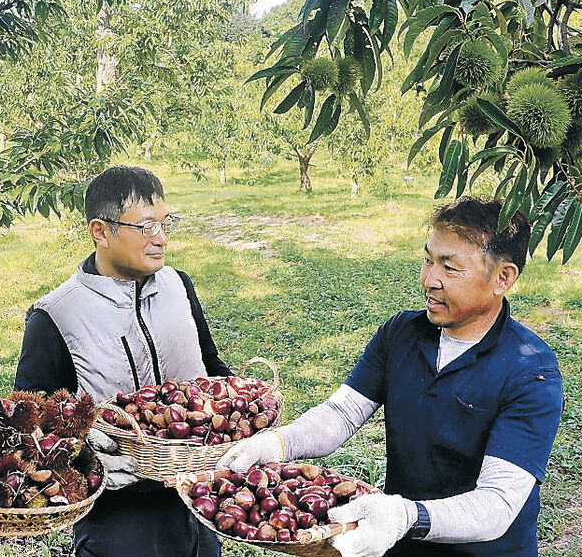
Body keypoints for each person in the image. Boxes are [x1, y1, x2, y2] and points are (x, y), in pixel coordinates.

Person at [219, 196, 564, 557]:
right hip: (400, 542)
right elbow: (342, 414)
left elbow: (496, 505)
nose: (429, 279)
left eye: (450, 268)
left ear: (502, 277)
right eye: (428, 259)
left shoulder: (530, 371)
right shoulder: (402, 333)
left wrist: (405, 516)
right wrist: (278, 443)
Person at [14, 164, 231, 557]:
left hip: (198, 492)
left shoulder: (178, 286)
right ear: (101, 231)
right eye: (147, 227)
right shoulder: (56, 316)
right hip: (119, 515)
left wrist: (239, 408)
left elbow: (212, 367)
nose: (161, 239)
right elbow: (32, 423)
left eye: (167, 223)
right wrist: (85, 457)